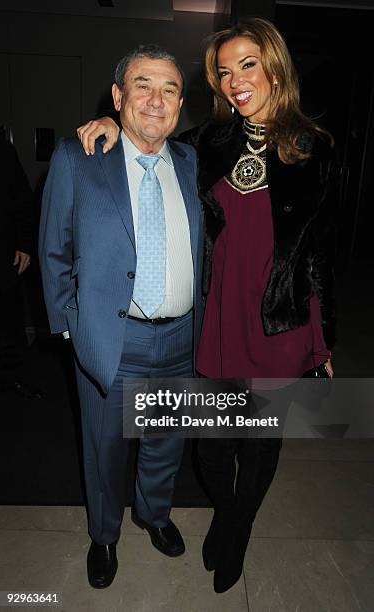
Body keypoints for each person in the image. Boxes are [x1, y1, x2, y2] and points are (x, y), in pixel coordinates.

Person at [76, 17, 336, 594]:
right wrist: (110, 125)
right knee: (214, 452)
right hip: (216, 322)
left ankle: (236, 528)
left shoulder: (314, 149)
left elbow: (319, 254)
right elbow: (151, 139)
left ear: (275, 67)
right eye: (224, 71)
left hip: (278, 323)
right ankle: (228, 508)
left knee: (260, 441)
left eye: (248, 64)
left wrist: (322, 342)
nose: (236, 81)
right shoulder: (209, 144)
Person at [39, 44, 204, 589]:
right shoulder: (77, 157)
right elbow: (54, 252)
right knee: (105, 448)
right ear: (117, 96)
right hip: (114, 337)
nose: (156, 101)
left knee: (165, 440)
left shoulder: (193, 161)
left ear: (181, 103)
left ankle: (153, 515)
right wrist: (71, 327)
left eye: (170, 89)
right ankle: (105, 534)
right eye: (142, 86)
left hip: (181, 335)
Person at [0, 136, 43, 400]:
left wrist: (25, 244)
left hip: (4, 253)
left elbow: (21, 198)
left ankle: (11, 377)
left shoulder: (2, 148)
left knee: (9, 320)